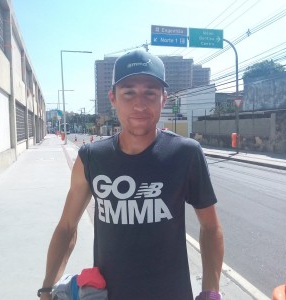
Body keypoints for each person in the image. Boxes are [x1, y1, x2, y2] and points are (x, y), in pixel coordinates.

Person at [39, 50, 224, 300]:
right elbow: (67, 227)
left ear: (164, 98)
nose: (140, 104)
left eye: (150, 92)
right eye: (128, 92)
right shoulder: (91, 158)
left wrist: (211, 291)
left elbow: (210, 227)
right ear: (112, 98)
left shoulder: (186, 154)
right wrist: (47, 289)